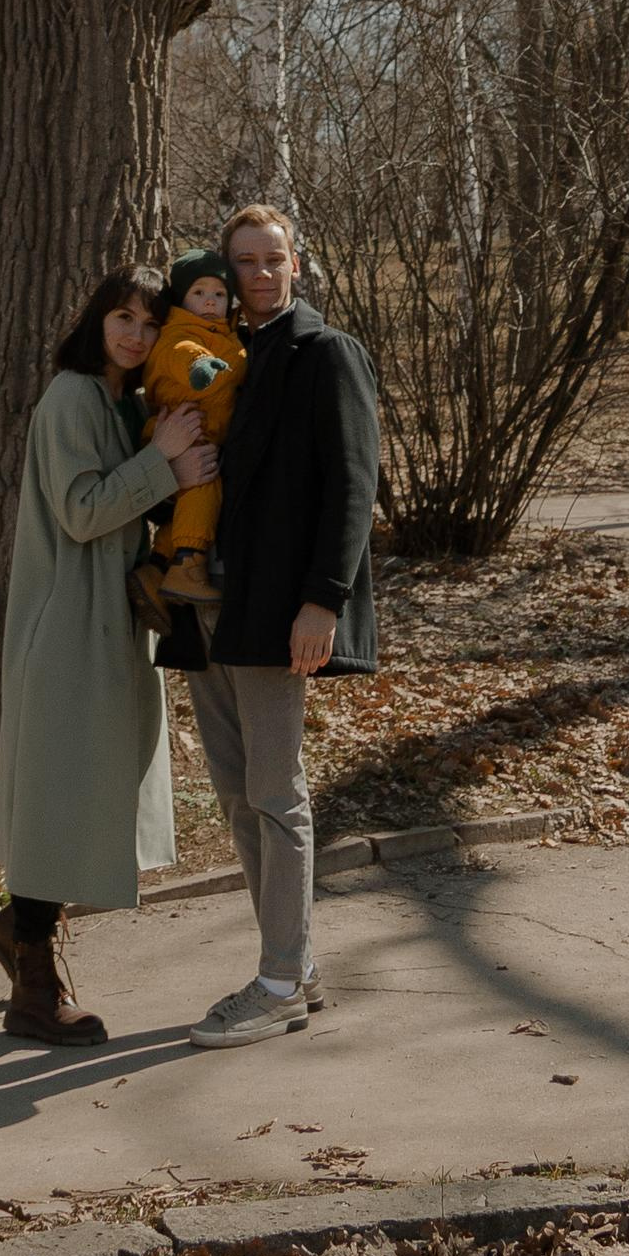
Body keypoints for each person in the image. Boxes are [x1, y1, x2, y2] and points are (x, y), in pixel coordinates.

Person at [164, 201, 379, 1048]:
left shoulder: (325, 354)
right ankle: (295, 962)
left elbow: (352, 487)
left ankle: (278, 982)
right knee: (232, 794)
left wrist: (322, 600)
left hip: (277, 609)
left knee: (274, 794)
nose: (259, 273)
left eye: (273, 258)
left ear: (297, 264)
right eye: (244, 261)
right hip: (205, 604)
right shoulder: (217, 353)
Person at [0, 267, 217, 1047]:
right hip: (63, 626)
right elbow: (82, 511)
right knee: (57, 794)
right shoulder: (70, 398)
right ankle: (33, 985)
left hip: (104, 623)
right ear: (97, 318)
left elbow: (122, 498)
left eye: (151, 326)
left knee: (85, 790)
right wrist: (168, 462)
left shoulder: (119, 401)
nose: (134, 336)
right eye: (123, 317)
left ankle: (16, 927)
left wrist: (167, 461)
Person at [134, 250, 247, 611]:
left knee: (193, 505)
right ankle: (188, 563)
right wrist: (201, 365)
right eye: (199, 293)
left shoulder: (224, 334)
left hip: (199, 432)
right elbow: (179, 354)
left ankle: (155, 570)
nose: (210, 301)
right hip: (183, 432)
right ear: (182, 298)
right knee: (203, 485)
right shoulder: (179, 332)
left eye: (218, 293)